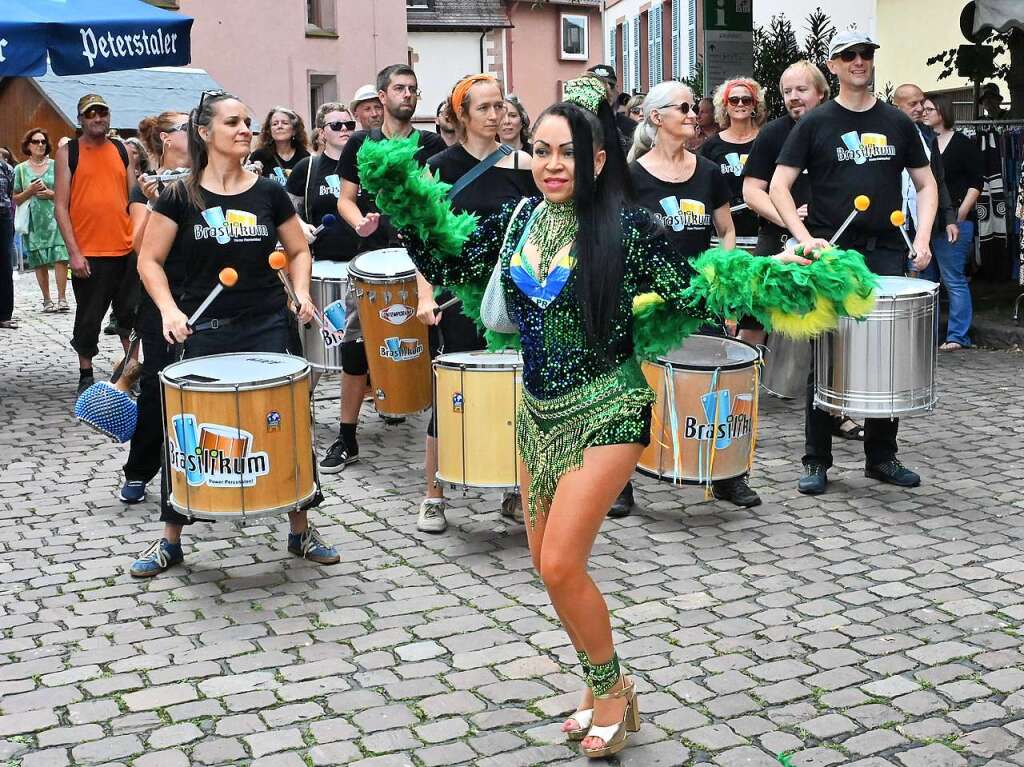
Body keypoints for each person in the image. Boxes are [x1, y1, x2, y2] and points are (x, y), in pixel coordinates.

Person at [371, 75, 866, 760]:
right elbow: (450, 257)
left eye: (566, 153)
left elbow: (697, 284)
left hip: (610, 407)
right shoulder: (518, 222)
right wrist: (408, 208)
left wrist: (777, 263)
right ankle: (599, 680)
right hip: (539, 413)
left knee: (562, 561)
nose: (550, 165)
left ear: (597, 160)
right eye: (540, 151)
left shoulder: (628, 228)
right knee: (547, 569)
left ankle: (612, 692)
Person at [133, 91, 339, 576]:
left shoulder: (267, 191)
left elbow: (298, 251)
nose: (245, 129)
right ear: (205, 134)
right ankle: (171, 538)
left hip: (267, 324)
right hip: (202, 331)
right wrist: (167, 310)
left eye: (248, 121)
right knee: (185, 433)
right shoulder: (180, 196)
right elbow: (149, 261)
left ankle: (300, 528)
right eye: (233, 122)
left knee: (286, 421)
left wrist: (302, 292)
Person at [770, 29, 937, 495]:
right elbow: (778, 186)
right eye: (850, 55)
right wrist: (805, 241)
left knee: (887, 352)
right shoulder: (816, 123)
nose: (860, 61)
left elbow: (925, 185)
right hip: (835, 253)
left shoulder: (897, 122)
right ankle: (816, 459)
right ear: (835, 66)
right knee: (825, 355)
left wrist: (921, 238)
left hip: (886, 247)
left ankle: (881, 456)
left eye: (866, 54)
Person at [627, 81, 762, 508]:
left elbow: (726, 231)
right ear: (655, 117)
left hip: (699, 296)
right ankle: (620, 482)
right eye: (683, 107)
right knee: (633, 390)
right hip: (649, 302)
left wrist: (720, 278)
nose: (693, 114)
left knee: (714, 386)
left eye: (694, 107)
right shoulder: (631, 177)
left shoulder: (707, 171)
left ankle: (725, 474)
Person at [416, 74, 537, 532]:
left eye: (500, 106)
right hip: (459, 296)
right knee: (452, 393)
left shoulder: (525, 164)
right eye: (484, 108)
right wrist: (426, 294)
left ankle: (514, 488)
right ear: (461, 116)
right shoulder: (439, 166)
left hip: (515, 295)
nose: (496, 115)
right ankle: (433, 494)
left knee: (519, 390)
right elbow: (425, 239)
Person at [742, 60, 865, 443]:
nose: (794, 98)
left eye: (801, 90)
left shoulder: (843, 127)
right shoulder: (774, 133)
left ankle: (837, 412)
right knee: (752, 325)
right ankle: (739, 406)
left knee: (833, 330)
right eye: (786, 92)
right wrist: (786, 216)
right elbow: (751, 191)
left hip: (830, 244)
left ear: (822, 92)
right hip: (777, 243)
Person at [332, 64, 447, 470]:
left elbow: (437, 198)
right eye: (399, 88)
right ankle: (346, 436)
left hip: (420, 258)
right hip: (369, 257)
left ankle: (441, 433)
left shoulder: (431, 144)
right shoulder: (361, 143)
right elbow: (345, 199)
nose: (408, 95)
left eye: (413, 89)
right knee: (355, 345)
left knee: (434, 343)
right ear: (381, 97)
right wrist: (358, 221)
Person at [284, 103, 367, 474]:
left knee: (357, 343)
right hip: (322, 266)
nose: (345, 129)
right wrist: (300, 226)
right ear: (320, 131)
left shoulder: (363, 161)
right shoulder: (308, 168)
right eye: (336, 124)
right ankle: (301, 406)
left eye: (350, 123)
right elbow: (289, 212)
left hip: (361, 263)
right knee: (318, 343)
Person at [117, 111, 191, 505]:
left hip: (202, 289)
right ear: (165, 138)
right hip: (160, 295)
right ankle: (139, 470)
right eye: (185, 126)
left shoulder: (205, 177)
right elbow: (137, 246)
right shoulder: (146, 187)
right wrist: (154, 201)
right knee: (157, 384)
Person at [54, 93, 136, 395]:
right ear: (81, 119)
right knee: (89, 317)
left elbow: (134, 199)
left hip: (126, 248)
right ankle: (85, 373)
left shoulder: (122, 149)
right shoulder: (69, 152)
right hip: (89, 252)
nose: (98, 118)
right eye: (91, 114)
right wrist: (74, 253)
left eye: (102, 112)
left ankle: (130, 372)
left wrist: (139, 241)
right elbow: (60, 207)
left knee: (131, 315)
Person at [920, 94, 983, 350]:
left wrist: (961, 213)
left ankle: (958, 335)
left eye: (929, 109)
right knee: (927, 281)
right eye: (922, 109)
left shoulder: (962, 144)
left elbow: (976, 182)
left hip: (953, 219)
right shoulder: (923, 142)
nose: (924, 113)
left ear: (943, 112)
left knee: (952, 278)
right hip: (929, 221)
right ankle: (928, 335)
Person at [700, 78, 765, 243]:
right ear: (725, 106)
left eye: (747, 99)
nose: (740, 104)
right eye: (734, 100)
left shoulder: (768, 139)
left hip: (764, 229)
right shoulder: (711, 146)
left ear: (754, 105)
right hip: (723, 231)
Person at [12, 128, 69, 313]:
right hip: (34, 220)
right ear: (28, 145)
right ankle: (47, 300)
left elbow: (68, 192)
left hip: (56, 217)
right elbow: (15, 198)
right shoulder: (20, 169)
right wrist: (30, 191)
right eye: (36, 142)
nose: (40, 145)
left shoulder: (56, 165)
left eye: (43, 142)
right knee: (39, 259)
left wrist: (51, 193)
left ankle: (62, 298)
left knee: (61, 256)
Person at [250, 106, 311, 184]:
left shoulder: (304, 157)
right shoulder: (259, 156)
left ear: (294, 130)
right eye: (275, 124)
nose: (279, 126)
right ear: (269, 131)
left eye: (285, 123)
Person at [0, 149, 14, 330]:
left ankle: (4, 315)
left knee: (4, 265)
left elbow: (9, 194)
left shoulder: (5, 168)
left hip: (2, 217)